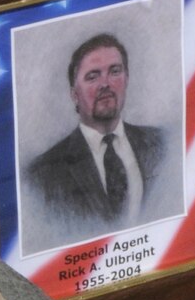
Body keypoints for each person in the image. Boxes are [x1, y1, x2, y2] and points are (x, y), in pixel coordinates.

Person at [21, 33, 181, 248]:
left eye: (115, 71)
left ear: (127, 79)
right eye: (92, 76)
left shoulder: (164, 145)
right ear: (74, 95)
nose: (105, 83)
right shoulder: (42, 174)